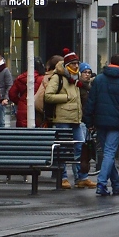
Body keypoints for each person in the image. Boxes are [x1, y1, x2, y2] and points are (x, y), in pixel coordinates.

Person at [83, 53, 119, 196]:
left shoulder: (98, 80)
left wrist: (89, 121)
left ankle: (115, 184)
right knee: (109, 152)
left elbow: (90, 102)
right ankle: (101, 183)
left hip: (99, 122)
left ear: (109, 63)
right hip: (115, 123)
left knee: (106, 152)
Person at [44, 51, 96, 189]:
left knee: (80, 146)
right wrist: (65, 98)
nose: (76, 65)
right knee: (63, 149)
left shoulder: (77, 77)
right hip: (62, 118)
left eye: (77, 63)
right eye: (73, 63)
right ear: (67, 65)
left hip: (76, 119)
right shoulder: (58, 77)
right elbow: (48, 96)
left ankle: (81, 177)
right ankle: (63, 177)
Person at [9, 59, 45, 128]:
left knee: (22, 133)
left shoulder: (20, 78)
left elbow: (12, 94)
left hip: (22, 108)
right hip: (37, 109)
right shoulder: (42, 79)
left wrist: (20, 101)